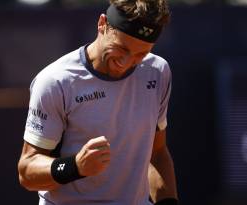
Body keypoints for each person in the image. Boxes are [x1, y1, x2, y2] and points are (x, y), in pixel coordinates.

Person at [18, 0, 178, 204]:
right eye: (121, 48)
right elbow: (27, 171)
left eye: (141, 54)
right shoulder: (55, 82)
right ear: (102, 24)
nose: (126, 62)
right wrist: (75, 167)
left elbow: (156, 154)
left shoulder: (158, 72)